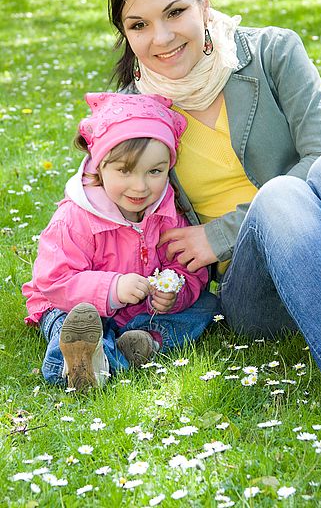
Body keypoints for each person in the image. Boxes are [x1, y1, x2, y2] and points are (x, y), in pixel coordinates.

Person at [107, 0, 321, 426]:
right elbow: (103, 217)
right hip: (256, 290)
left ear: (204, 1)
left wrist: (218, 230)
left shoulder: (272, 52)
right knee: (282, 194)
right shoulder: (132, 117)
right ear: (126, 33)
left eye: (175, 11)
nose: (161, 38)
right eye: (139, 25)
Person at [22, 92, 219, 391]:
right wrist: (112, 289)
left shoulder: (167, 213)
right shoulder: (76, 217)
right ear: (99, 165)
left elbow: (188, 269)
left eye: (155, 171)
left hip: (139, 313)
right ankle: (82, 362)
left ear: (169, 166)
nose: (140, 186)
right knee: (69, 323)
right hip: (74, 306)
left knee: (206, 305)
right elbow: (55, 281)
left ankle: (134, 345)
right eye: (124, 170)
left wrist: (173, 291)